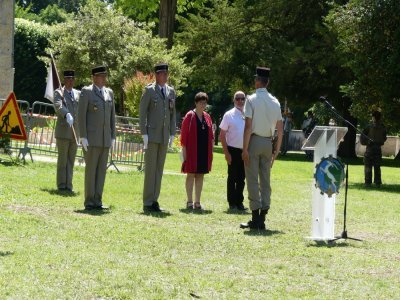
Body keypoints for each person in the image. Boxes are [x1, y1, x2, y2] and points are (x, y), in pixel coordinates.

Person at [240, 67, 283, 230]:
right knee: (265, 180)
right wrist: (276, 151)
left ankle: (255, 217)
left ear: (257, 81)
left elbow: (248, 126)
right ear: (268, 82)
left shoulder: (251, 99)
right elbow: (280, 128)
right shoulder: (275, 102)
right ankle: (262, 217)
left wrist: (244, 149)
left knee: (252, 179)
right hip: (268, 143)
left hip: (255, 141)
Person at [139, 63, 176, 212]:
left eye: (166, 74)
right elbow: (142, 113)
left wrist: (172, 132)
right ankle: (148, 201)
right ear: (156, 75)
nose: (165, 76)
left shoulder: (171, 91)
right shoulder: (149, 91)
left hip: (163, 135)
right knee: (151, 169)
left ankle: (155, 199)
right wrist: (144, 133)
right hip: (152, 135)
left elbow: (172, 113)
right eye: (162, 74)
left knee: (159, 169)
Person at [78, 66, 116, 210]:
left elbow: (112, 116)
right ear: (94, 77)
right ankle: (89, 201)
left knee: (101, 171)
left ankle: (98, 200)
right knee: (91, 170)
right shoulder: (87, 92)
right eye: (101, 76)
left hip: (105, 139)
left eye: (105, 76)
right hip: (92, 139)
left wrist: (113, 135)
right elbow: (81, 116)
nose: (104, 79)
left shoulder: (109, 93)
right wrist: (83, 136)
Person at [180, 92, 214, 210]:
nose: (203, 105)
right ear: (196, 103)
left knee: (200, 175)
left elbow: (211, 137)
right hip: (192, 152)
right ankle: (189, 201)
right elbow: (184, 137)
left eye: (205, 103)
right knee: (190, 175)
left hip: (204, 152)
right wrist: (184, 154)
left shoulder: (207, 117)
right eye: (200, 102)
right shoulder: (190, 116)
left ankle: (197, 202)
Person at [219, 91, 247, 211]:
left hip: (245, 150)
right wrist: (226, 153)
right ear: (234, 100)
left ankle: (239, 202)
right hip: (232, 150)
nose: (240, 101)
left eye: (242, 99)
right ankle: (232, 203)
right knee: (232, 177)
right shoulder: (228, 115)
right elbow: (222, 135)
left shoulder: (249, 114)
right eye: (238, 99)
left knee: (242, 178)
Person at [54, 70, 80, 192]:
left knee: (71, 160)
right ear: (64, 80)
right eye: (68, 79)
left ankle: (68, 185)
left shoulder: (78, 94)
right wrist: (66, 114)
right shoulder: (59, 92)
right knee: (63, 160)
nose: (70, 81)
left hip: (75, 133)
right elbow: (58, 105)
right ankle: (61, 185)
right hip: (64, 131)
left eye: (72, 79)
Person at [360, 110, 387, 187]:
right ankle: (377, 183)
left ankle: (368, 182)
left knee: (368, 166)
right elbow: (384, 138)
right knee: (377, 167)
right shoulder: (383, 127)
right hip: (378, 149)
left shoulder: (368, 127)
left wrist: (367, 142)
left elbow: (362, 137)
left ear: (373, 117)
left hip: (370, 149)